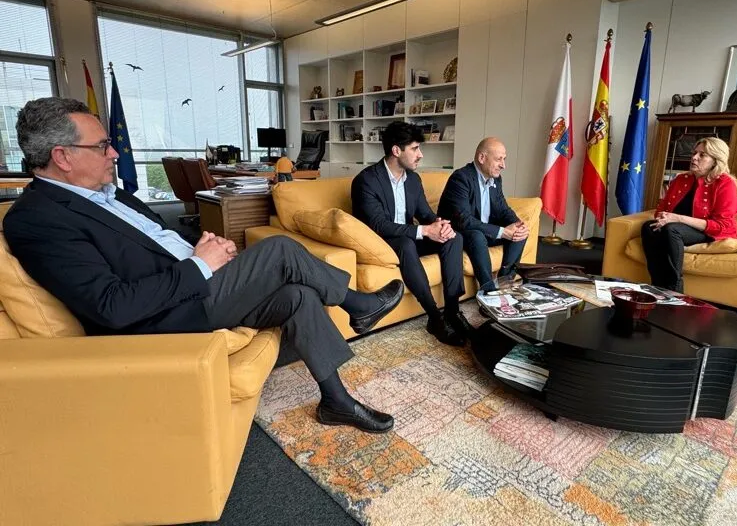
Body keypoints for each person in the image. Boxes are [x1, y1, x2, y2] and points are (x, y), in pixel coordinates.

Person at [4, 97, 405, 434]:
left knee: (298, 294)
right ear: (62, 156)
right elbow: (111, 306)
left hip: (190, 289)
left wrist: (201, 249)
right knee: (280, 250)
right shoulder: (38, 218)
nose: (114, 152)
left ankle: (336, 401)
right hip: (159, 320)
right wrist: (198, 266)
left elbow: (153, 244)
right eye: (102, 145)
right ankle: (358, 305)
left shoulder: (110, 194)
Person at [351, 121, 471, 347]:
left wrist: (440, 225)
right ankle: (435, 318)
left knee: (454, 238)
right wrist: (425, 230)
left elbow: (424, 213)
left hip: (407, 237)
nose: (420, 155)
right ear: (396, 151)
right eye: (415, 149)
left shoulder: (413, 179)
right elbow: (378, 224)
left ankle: (453, 310)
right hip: (381, 243)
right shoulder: (366, 181)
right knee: (406, 243)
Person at [641, 137, 737, 293]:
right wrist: (663, 217)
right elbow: (662, 209)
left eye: (702, 155)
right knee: (649, 227)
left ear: (716, 160)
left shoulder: (725, 183)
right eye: (694, 153)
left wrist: (677, 218)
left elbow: (722, 225)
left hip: (709, 231)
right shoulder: (681, 179)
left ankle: (675, 290)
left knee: (672, 229)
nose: (694, 157)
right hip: (676, 227)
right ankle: (657, 286)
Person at [437, 137, 529, 292]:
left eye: (504, 159)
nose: (503, 165)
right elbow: (464, 220)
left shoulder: (496, 179)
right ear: (481, 158)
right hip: (460, 234)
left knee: (520, 233)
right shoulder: (461, 178)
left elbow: (503, 208)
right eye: (499, 159)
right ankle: (488, 289)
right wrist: (502, 232)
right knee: (477, 235)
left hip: (484, 230)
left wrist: (518, 224)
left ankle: (504, 282)